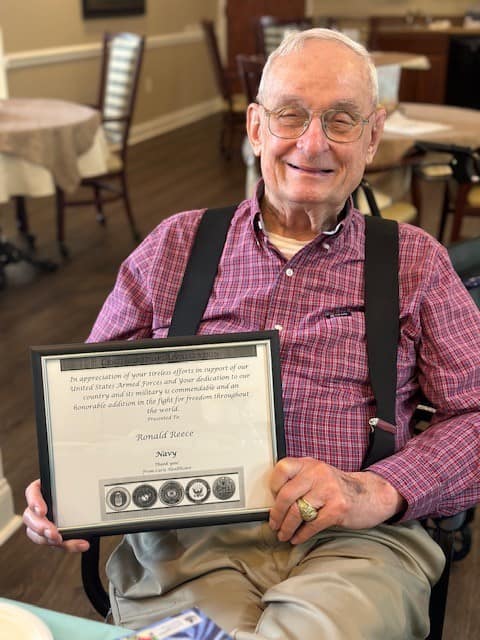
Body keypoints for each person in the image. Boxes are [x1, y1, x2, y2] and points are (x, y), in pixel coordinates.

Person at [23, 28, 480, 639]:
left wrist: (377, 490)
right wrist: (66, 487)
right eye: (290, 115)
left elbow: (475, 413)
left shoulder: (415, 262)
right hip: (187, 545)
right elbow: (85, 402)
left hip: (356, 546)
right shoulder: (174, 247)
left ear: (372, 136)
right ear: (256, 127)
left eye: (341, 120)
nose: (312, 143)